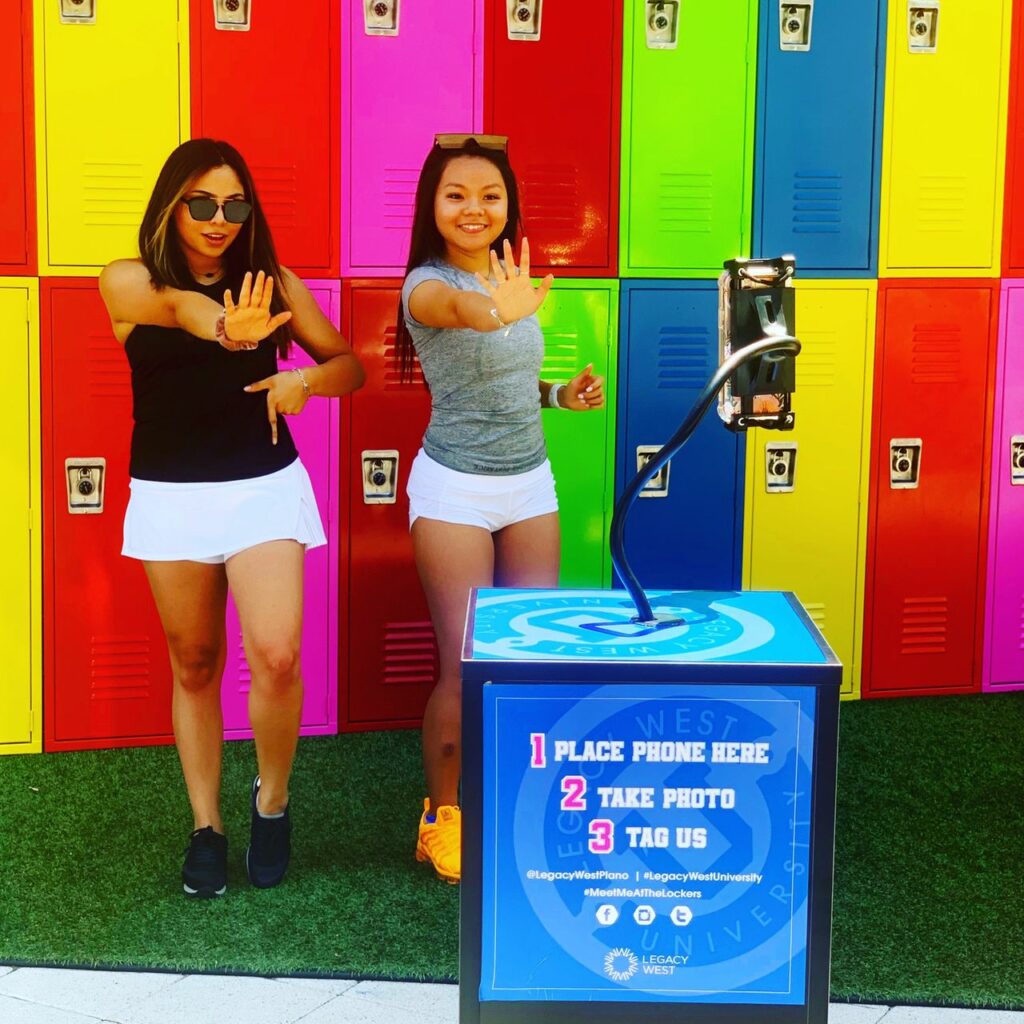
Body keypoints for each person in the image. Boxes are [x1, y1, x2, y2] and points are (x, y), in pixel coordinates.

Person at [98, 138, 364, 898]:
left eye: (235, 204)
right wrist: (227, 330)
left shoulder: (272, 282)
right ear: (171, 204)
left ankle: (271, 802)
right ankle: (206, 826)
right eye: (203, 203)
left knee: (277, 656)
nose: (220, 219)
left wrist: (305, 382)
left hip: (262, 488)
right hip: (170, 495)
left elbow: (349, 363)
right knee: (195, 663)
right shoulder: (126, 280)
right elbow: (180, 307)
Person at [397, 134, 605, 884]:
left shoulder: (509, 275)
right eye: (456, 194)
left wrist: (559, 396)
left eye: (490, 195)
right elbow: (461, 312)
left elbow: (510, 385)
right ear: (433, 205)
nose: (474, 208)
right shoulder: (425, 284)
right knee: (465, 664)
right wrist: (493, 310)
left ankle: (519, 804)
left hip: (529, 485)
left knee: (529, 658)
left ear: (509, 204)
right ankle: (441, 818)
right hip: (455, 490)